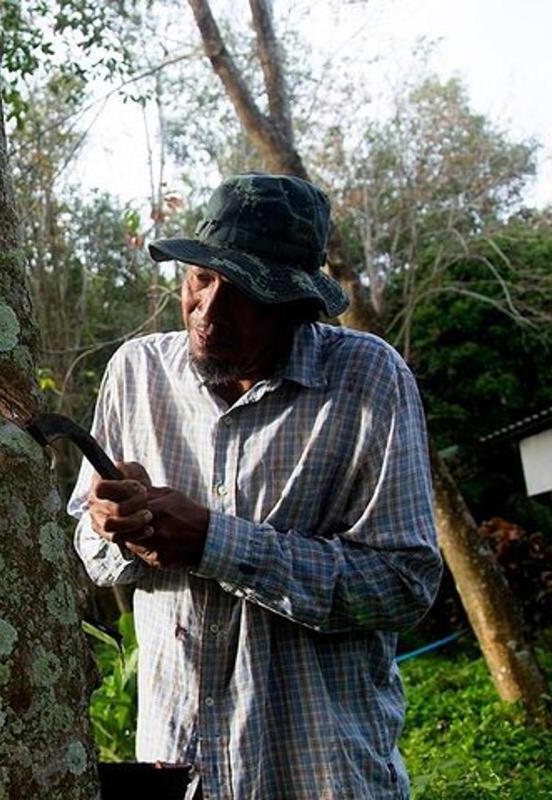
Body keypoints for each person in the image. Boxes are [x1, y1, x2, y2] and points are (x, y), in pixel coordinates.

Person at [68, 173, 443, 799]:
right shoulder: (136, 373)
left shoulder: (367, 379)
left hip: (319, 774)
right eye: (201, 278)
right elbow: (92, 551)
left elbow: (404, 583)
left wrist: (215, 543)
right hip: (180, 771)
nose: (208, 312)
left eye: (243, 291)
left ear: (297, 305)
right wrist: (112, 527)